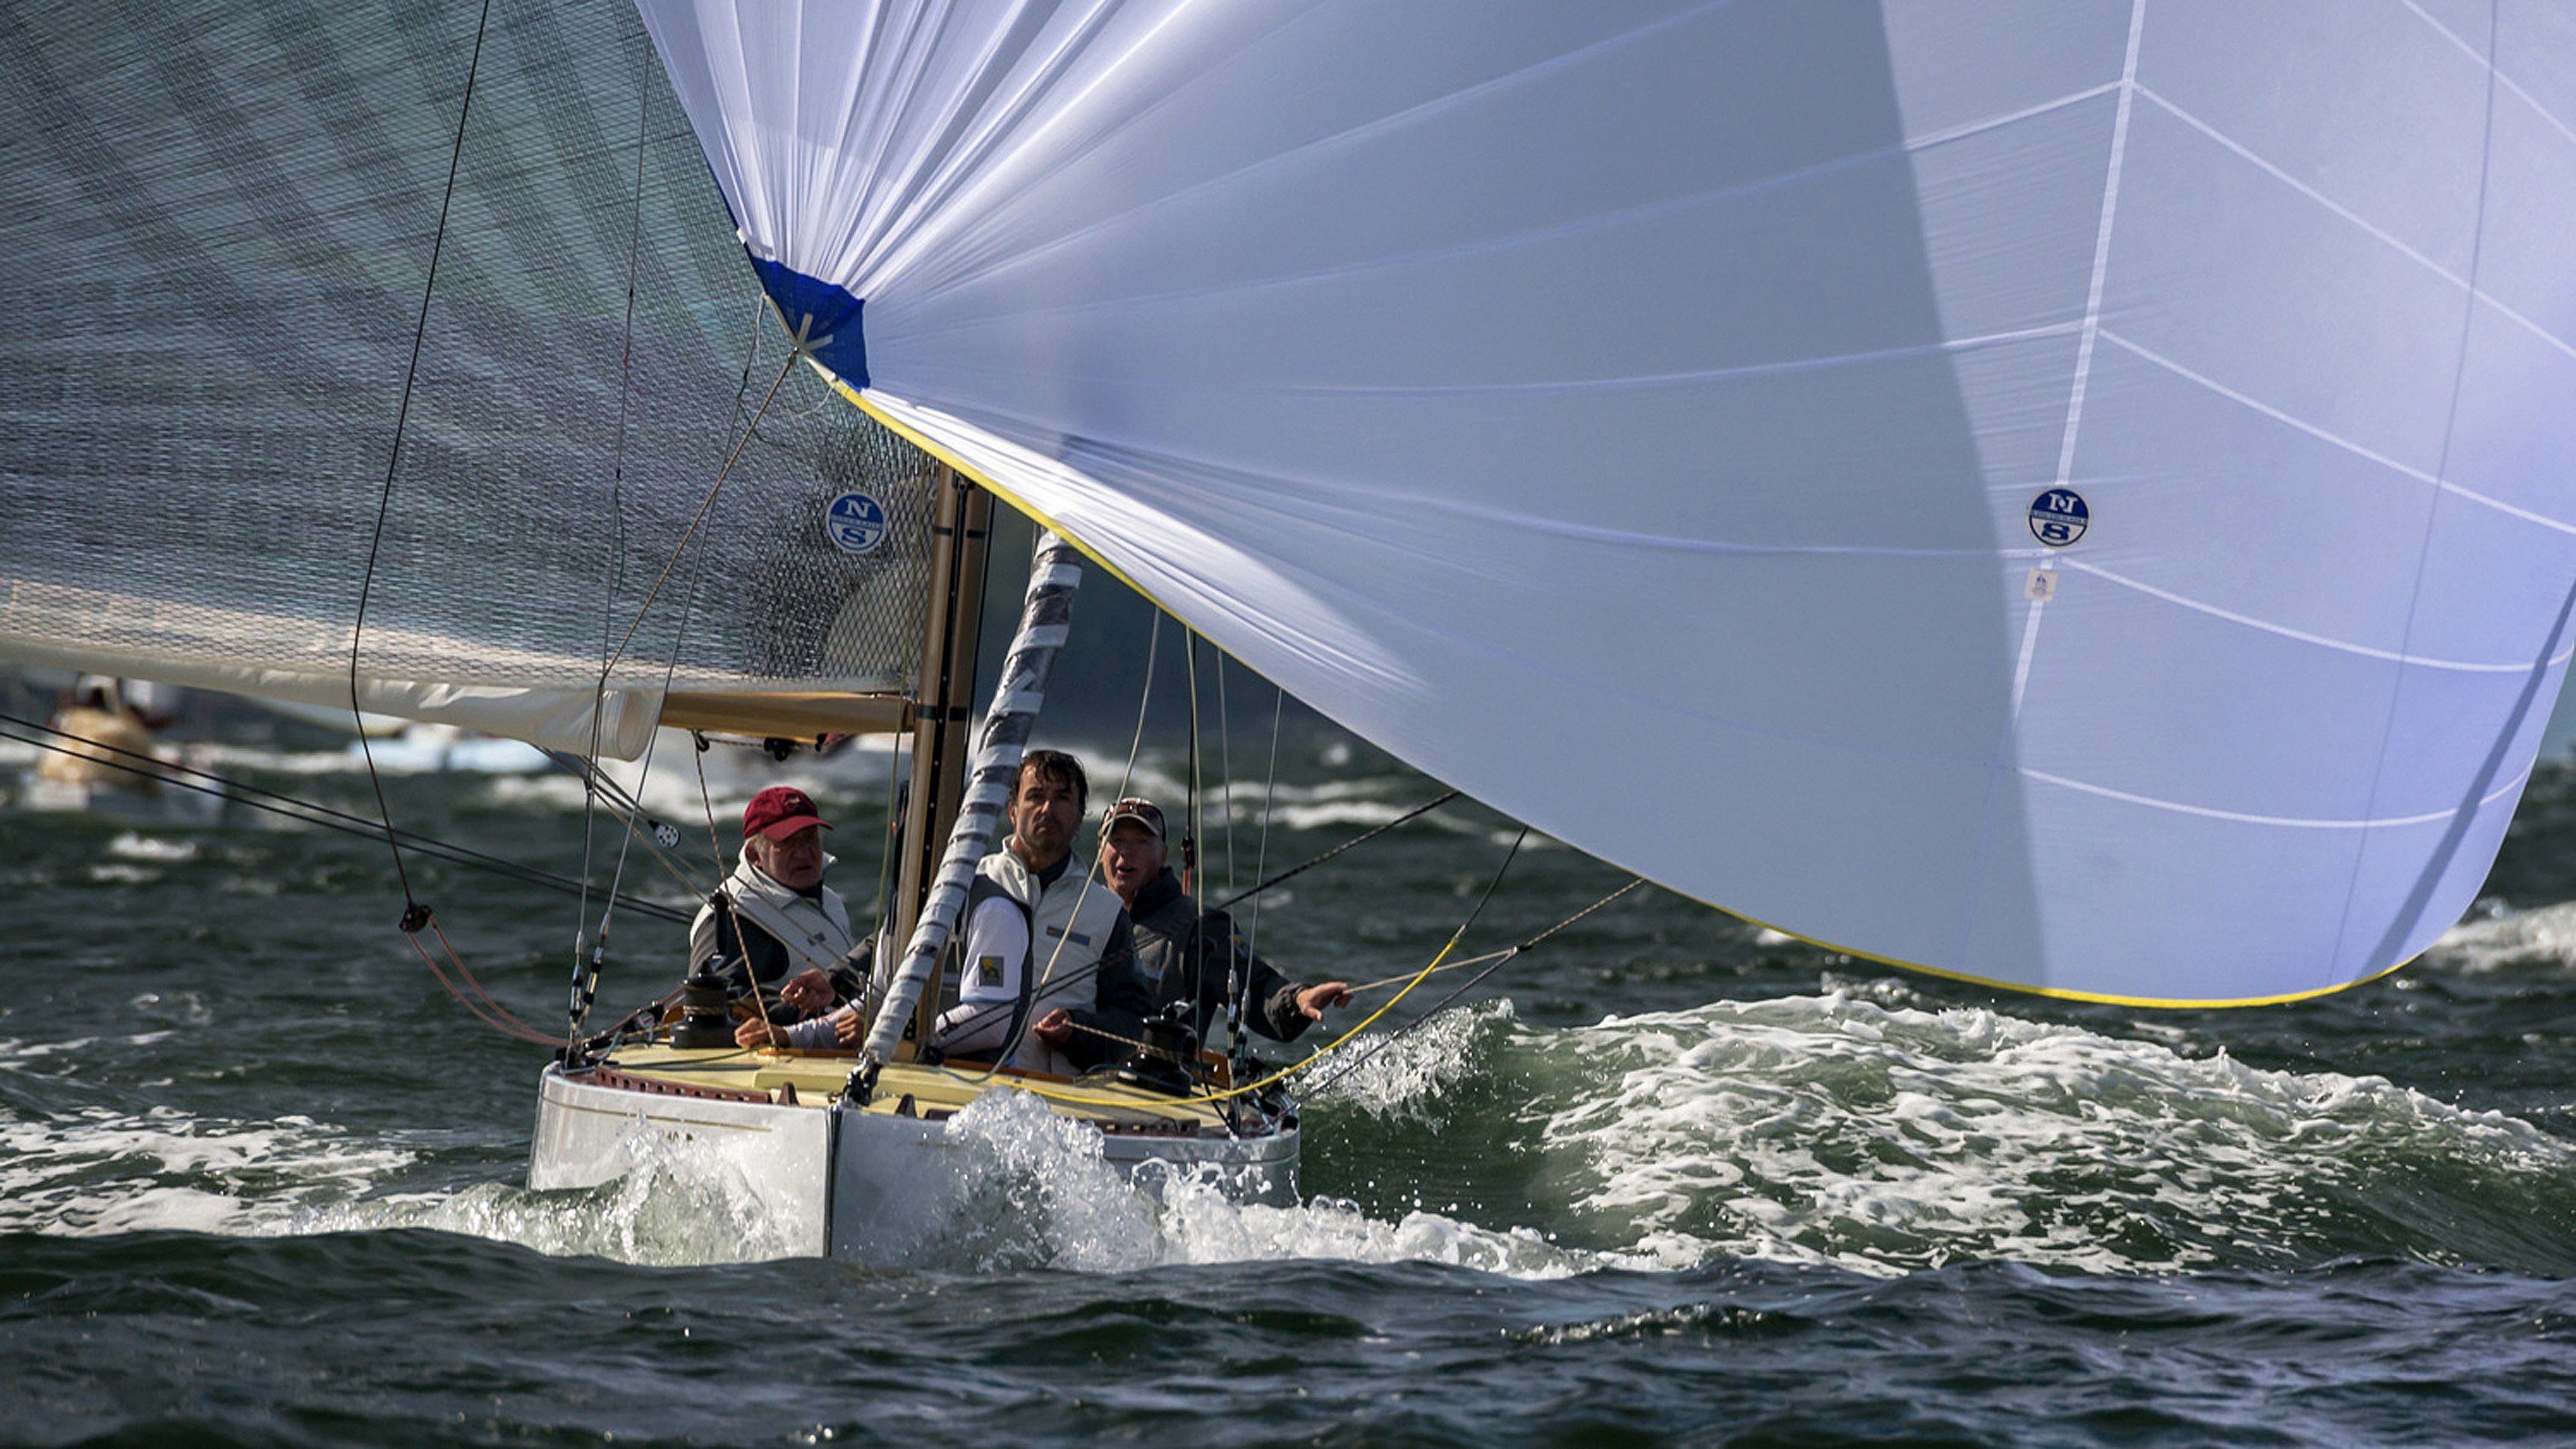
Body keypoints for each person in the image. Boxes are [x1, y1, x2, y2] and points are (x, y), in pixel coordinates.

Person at [929, 749, 1152, 1076]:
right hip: (961, 1081)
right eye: (1035, 796)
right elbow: (899, 946)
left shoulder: (1105, 911)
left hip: (1055, 1098)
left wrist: (1078, 1029)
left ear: (1079, 817)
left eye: (1062, 798)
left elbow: (1132, 1019)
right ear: (1012, 810)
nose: (1048, 808)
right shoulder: (968, 883)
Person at [1095, 796, 1351, 1051]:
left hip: (1152, 1082)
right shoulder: (1077, 913)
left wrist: (1297, 1000)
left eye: (1141, 841)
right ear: (1099, 850)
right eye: (1116, 841)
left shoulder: (1200, 927)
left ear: (1163, 854)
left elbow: (1254, 986)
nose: (1127, 852)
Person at [686, 785, 868, 1046]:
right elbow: (714, 1004)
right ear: (754, 855)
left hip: (841, 1041)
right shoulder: (735, 913)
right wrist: (796, 1009)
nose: (805, 852)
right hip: (784, 1060)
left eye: (810, 838)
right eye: (787, 842)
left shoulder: (830, 899)